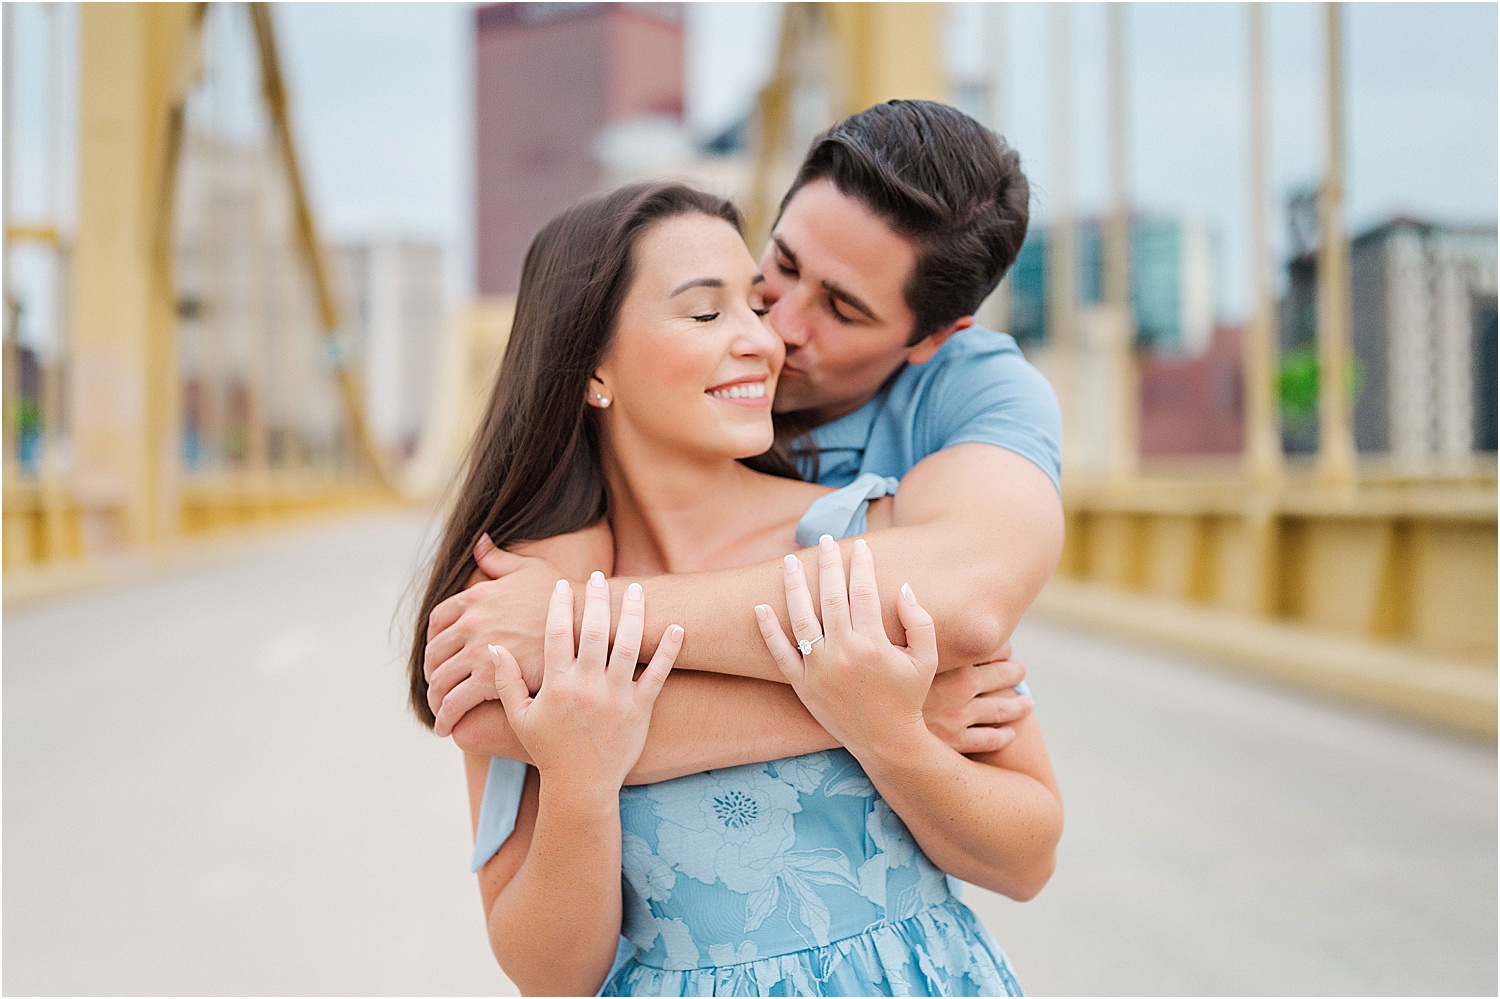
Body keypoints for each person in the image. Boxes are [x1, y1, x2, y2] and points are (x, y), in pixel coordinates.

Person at [407, 179, 1061, 995]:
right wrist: (579, 780)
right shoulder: (524, 609)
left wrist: (893, 738)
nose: (764, 338)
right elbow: (550, 977)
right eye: (707, 312)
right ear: (594, 367)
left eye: (754, 304)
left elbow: (1029, 858)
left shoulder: (874, 536)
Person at [422, 100, 1063, 799]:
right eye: (780, 268)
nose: (778, 328)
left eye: (842, 310)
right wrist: (879, 717)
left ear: (934, 338)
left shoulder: (978, 392)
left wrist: (577, 619)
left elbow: (965, 598)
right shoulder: (637, 428)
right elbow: (488, 705)